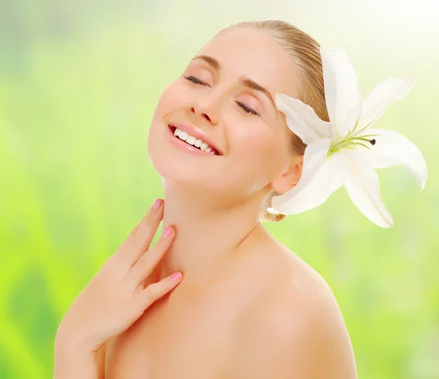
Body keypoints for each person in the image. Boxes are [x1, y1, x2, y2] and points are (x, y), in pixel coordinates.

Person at [53, 19, 416, 378]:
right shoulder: (124, 290)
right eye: (197, 79)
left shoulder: (285, 313)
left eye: (246, 106)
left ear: (293, 172)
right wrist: (74, 344)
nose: (204, 105)